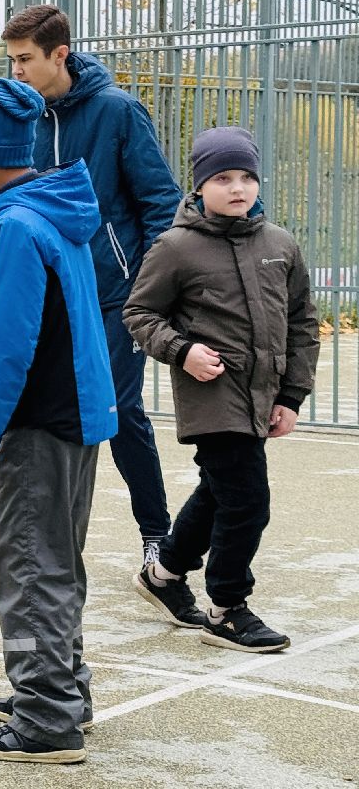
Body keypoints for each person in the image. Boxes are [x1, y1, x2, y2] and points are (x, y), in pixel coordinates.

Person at [0, 5, 181, 577]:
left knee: (120, 407)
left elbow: (161, 204)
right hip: (47, 295)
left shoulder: (117, 112)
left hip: (114, 296)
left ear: (60, 54)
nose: (16, 71)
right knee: (31, 408)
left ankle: (158, 536)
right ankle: (23, 534)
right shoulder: (23, 118)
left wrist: (147, 290)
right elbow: (5, 210)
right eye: (10, 60)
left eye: (25, 59)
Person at [0, 78, 117, 765]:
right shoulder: (51, 212)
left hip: (38, 424)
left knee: (25, 567)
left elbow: (9, 352)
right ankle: (62, 687)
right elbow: (41, 318)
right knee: (56, 561)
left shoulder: (14, 226)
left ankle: (45, 719)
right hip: (75, 416)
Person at [124, 127, 318, 652]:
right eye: (223, 178)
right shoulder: (176, 247)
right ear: (200, 185)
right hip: (211, 395)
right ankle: (228, 608)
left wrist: (291, 397)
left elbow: (302, 322)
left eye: (247, 177)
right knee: (249, 501)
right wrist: (183, 350)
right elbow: (139, 313)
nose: (238, 188)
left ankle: (162, 573)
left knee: (219, 493)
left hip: (264, 393)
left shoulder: (280, 244)